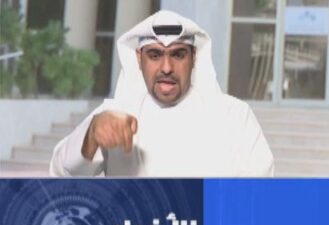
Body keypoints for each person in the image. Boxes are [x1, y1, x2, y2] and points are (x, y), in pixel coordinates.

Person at [50, 9, 275, 177]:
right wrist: (91, 136)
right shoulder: (114, 116)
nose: (166, 68)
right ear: (139, 58)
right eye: (155, 55)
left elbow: (258, 197)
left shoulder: (234, 117)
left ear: (194, 58)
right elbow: (61, 177)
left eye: (178, 55)